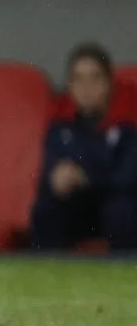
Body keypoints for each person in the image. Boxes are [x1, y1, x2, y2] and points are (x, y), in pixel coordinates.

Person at [30, 42, 137, 251]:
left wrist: (84, 176)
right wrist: (56, 178)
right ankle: (46, 275)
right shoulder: (60, 123)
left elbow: (127, 177)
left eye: (95, 78)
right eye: (78, 79)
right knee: (45, 209)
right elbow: (47, 174)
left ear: (109, 83)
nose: (86, 87)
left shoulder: (128, 121)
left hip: (117, 204)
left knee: (122, 211)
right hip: (78, 206)